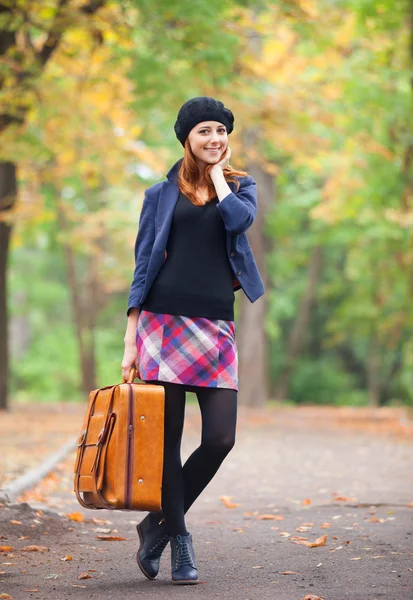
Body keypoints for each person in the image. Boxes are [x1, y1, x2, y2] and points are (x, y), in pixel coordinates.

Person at [121, 96, 265, 585]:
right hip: (161, 326)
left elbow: (238, 223)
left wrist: (221, 178)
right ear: (187, 137)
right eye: (204, 130)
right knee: (167, 444)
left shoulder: (241, 188)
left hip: (215, 328)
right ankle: (179, 539)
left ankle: (155, 524)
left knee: (221, 437)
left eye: (222, 130)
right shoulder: (159, 195)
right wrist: (129, 341)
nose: (215, 138)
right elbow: (143, 268)